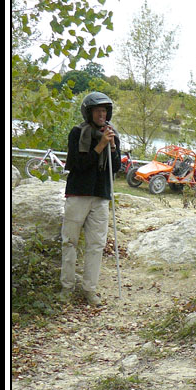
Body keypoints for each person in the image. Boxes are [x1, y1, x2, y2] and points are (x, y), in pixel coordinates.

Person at [60, 91, 121, 306]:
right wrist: (100, 145)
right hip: (78, 193)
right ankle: (66, 287)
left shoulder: (112, 134)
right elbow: (78, 165)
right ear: (88, 112)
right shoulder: (77, 133)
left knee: (96, 244)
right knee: (70, 241)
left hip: (101, 195)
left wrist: (112, 146)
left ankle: (89, 289)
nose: (101, 114)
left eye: (104, 110)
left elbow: (118, 166)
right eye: (97, 110)